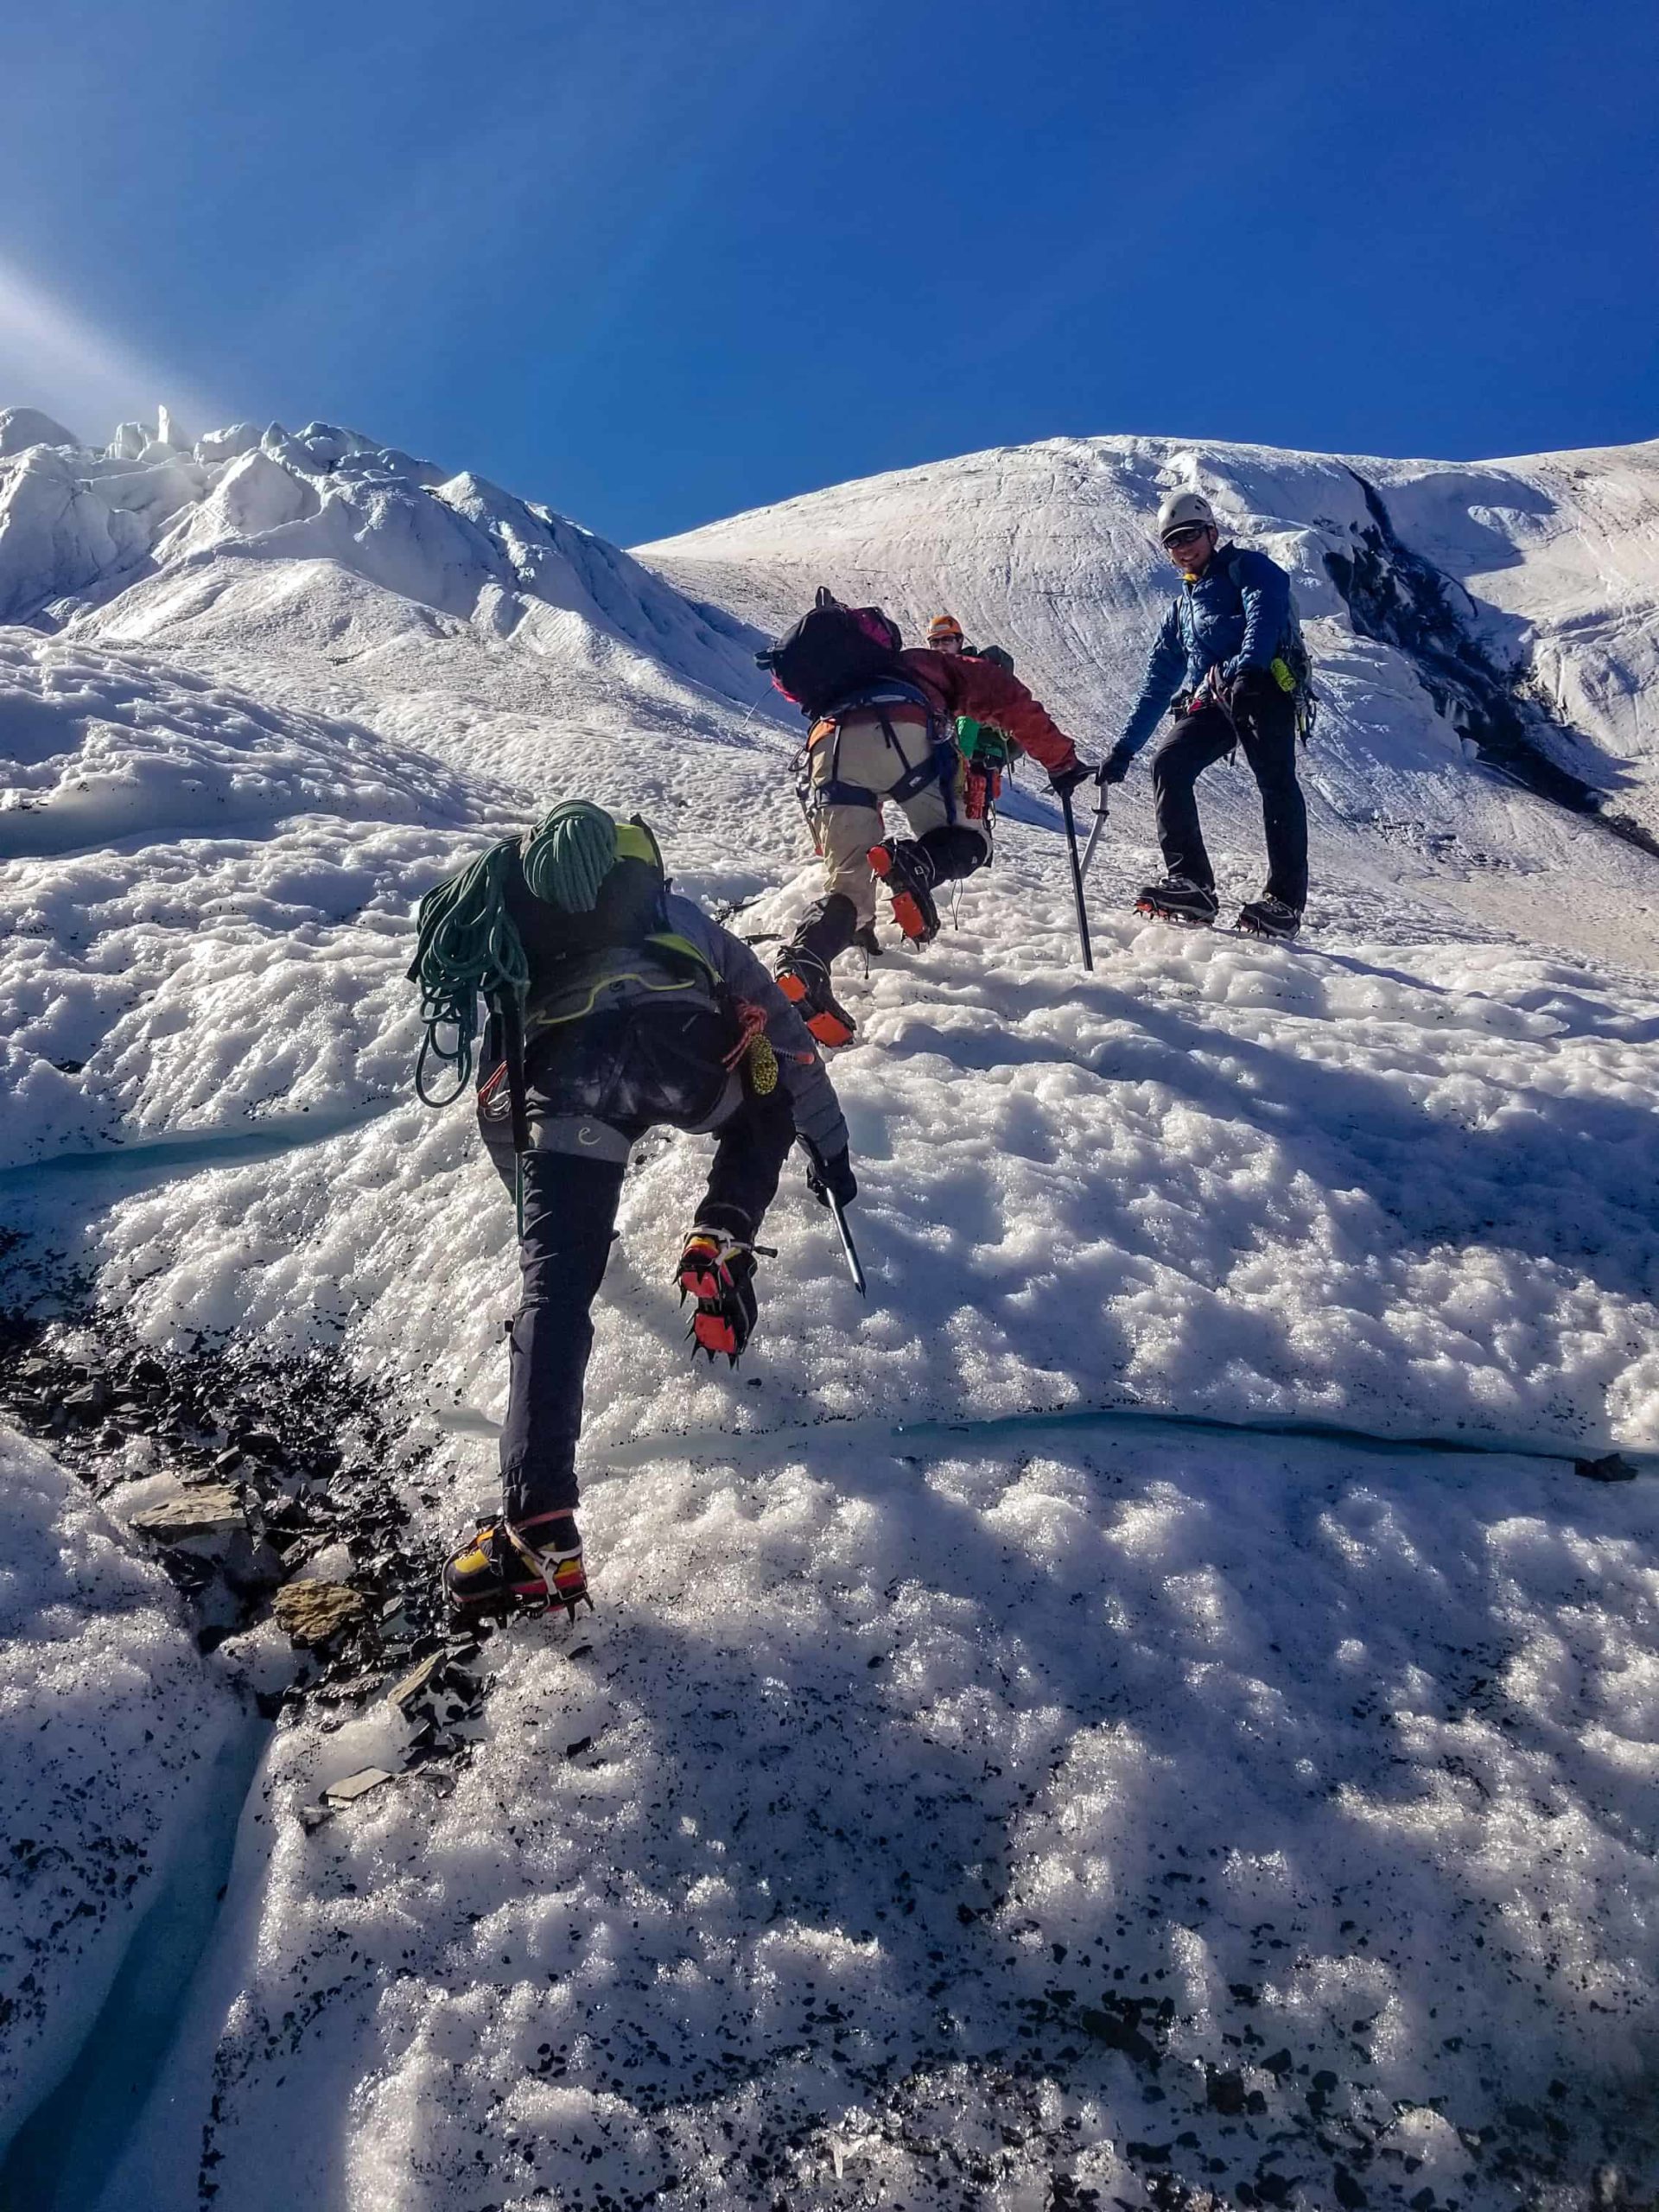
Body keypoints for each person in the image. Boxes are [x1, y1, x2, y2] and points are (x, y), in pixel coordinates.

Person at [411, 801, 855, 1623]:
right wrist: (829, 1150)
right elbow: (788, 1040)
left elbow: (494, 1092)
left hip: (566, 1087)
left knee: (556, 1297)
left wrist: (536, 1208)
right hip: (689, 1060)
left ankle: (539, 1537)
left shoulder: (520, 941)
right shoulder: (675, 914)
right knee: (763, 1100)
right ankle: (724, 1227)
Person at [761, 592, 1094, 1045]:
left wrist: (862, 926)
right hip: (904, 725)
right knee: (965, 838)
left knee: (847, 887)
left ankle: (805, 960)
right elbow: (1005, 697)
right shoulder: (919, 664)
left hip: (827, 745)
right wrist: (1061, 762)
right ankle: (918, 865)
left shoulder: (832, 689)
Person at [1098, 489, 1309, 938]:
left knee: (1275, 781)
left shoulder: (1248, 568)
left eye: (1190, 534)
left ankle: (1285, 901)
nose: (1182, 546)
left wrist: (1248, 669)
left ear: (1211, 532)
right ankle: (1192, 884)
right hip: (1213, 698)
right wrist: (1124, 749)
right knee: (1169, 764)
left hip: (1264, 685)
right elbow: (1158, 684)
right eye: (1172, 540)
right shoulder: (1182, 609)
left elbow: (1264, 619)